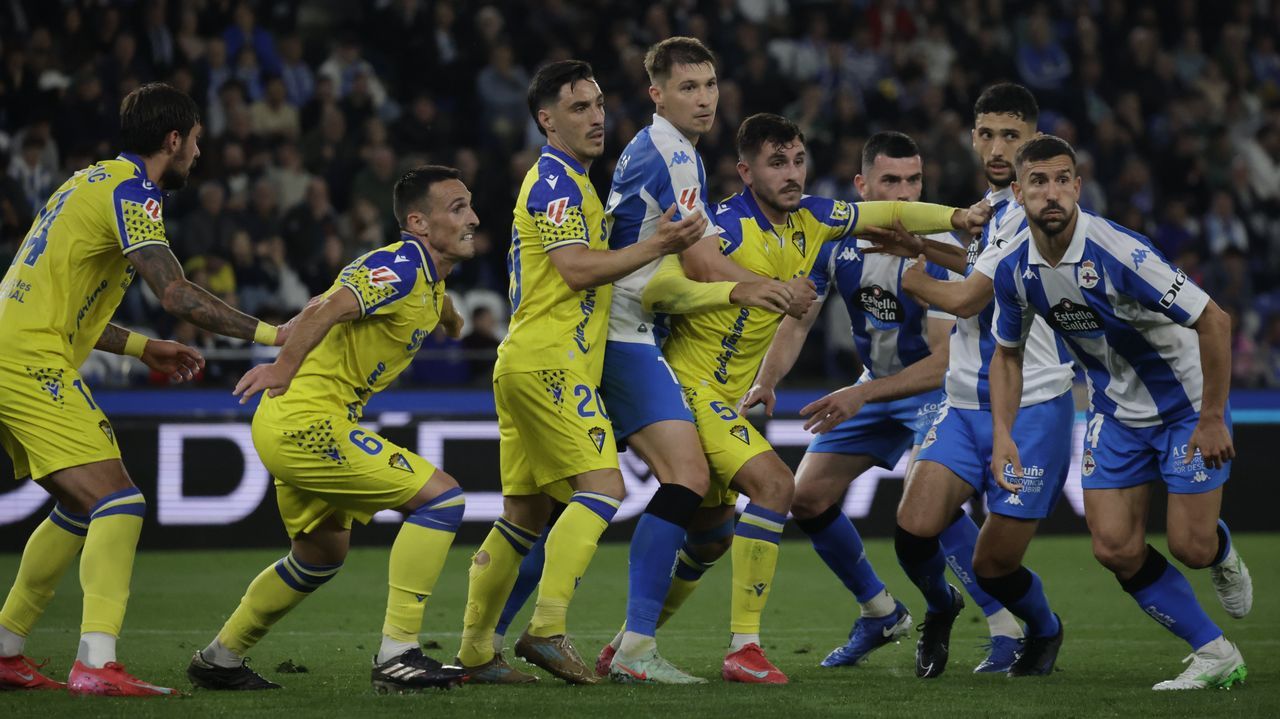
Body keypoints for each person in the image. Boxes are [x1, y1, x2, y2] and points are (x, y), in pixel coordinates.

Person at [624, 112, 987, 685]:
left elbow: (886, 215)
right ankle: (743, 647)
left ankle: (629, 644)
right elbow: (660, 286)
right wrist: (743, 288)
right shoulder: (721, 225)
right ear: (746, 172)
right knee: (777, 486)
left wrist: (957, 216)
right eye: (777, 164)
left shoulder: (814, 220)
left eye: (797, 160)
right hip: (687, 385)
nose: (792, 174)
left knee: (714, 533)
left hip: (732, 396)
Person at [0, 82, 288, 696]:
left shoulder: (86, 181)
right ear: (174, 139)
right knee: (120, 502)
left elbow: (65, 299)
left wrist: (141, 346)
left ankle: (5, 649)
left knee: (81, 506)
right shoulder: (136, 190)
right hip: (28, 359)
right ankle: (96, 664)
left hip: (14, 345)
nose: (199, 156)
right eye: (196, 143)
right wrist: (273, 334)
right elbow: (176, 293)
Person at [454, 60, 704, 685]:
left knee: (523, 517)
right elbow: (574, 269)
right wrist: (658, 244)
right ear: (546, 120)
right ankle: (547, 629)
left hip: (526, 361)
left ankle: (477, 650)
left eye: (597, 105)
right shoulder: (557, 184)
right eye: (577, 108)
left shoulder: (576, 183)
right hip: (550, 361)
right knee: (604, 489)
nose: (595, 117)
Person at [188, 166, 476, 693]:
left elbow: (434, 307)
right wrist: (282, 367)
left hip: (298, 422)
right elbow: (329, 306)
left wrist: (452, 319)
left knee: (320, 555)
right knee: (442, 500)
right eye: (457, 208)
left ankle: (218, 659)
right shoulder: (402, 264)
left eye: (470, 205)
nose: (473, 218)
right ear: (418, 222)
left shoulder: (428, 283)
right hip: (306, 421)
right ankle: (399, 654)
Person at [990, 135, 1252, 691]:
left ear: (1079, 187)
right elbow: (1007, 355)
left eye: (1063, 179)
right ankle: (1214, 651)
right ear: (1018, 193)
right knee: (1112, 546)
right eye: (1038, 181)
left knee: (1191, 547)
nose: (1052, 192)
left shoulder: (1117, 251)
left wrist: (1210, 417)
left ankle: (1221, 553)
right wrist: (1002, 434)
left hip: (1184, 406)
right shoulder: (1014, 271)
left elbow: (1216, 321)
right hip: (1114, 410)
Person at [865, 83, 1074, 678]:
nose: (998, 146)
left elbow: (968, 299)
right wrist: (921, 244)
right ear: (972, 137)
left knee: (994, 565)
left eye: (1012, 135)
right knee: (913, 529)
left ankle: (1044, 627)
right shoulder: (992, 207)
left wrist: (914, 275)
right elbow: (979, 262)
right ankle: (940, 605)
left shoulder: (1037, 207)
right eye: (987, 134)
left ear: (1035, 139)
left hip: (1030, 397)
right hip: (963, 397)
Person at [741, 131, 968, 668]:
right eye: (891, 181)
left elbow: (944, 362)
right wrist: (766, 380)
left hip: (934, 390)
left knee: (931, 498)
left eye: (914, 181)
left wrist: (861, 392)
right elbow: (799, 322)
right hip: (873, 385)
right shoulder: (833, 240)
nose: (905, 195)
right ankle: (882, 611)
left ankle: (1005, 630)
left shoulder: (938, 253)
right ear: (862, 187)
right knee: (806, 499)